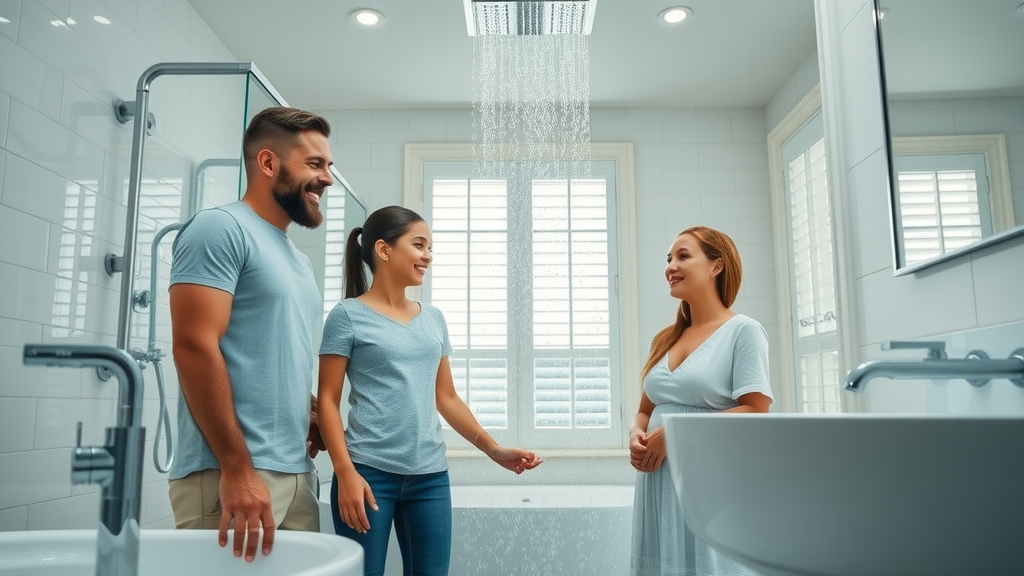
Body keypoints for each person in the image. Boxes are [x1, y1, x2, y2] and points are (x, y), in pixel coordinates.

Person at [318, 205, 543, 576]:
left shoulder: (433, 318)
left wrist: (493, 449)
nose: (428, 256)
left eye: (430, 247)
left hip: (430, 476)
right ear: (384, 250)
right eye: (419, 245)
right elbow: (327, 400)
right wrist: (344, 472)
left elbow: (447, 397)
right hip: (368, 473)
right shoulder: (346, 316)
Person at [167, 106, 333, 562]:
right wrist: (237, 469)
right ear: (268, 163)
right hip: (234, 474)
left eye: (328, 166)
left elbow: (276, 352)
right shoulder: (221, 228)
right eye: (315, 164)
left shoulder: (297, 259)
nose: (328, 179)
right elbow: (193, 347)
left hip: (296, 472)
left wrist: (310, 411)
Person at [629, 225, 773, 576]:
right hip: (656, 481)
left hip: (707, 477)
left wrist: (675, 435)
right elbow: (645, 409)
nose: (670, 266)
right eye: (668, 259)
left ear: (716, 266)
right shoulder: (665, 339)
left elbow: (756, 410)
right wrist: (635, 433)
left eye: (683, 256)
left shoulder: (744, 331)